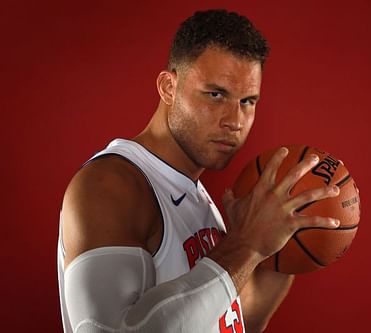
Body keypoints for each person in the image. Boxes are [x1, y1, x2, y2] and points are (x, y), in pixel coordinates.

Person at [57, 9, 340, 333]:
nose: (234, 121)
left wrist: (280, 254)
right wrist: (246, 246)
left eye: (248, 101)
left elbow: (220, 322)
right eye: (216, 94)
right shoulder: (111, 184)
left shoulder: (197, 196)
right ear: (168, 87)